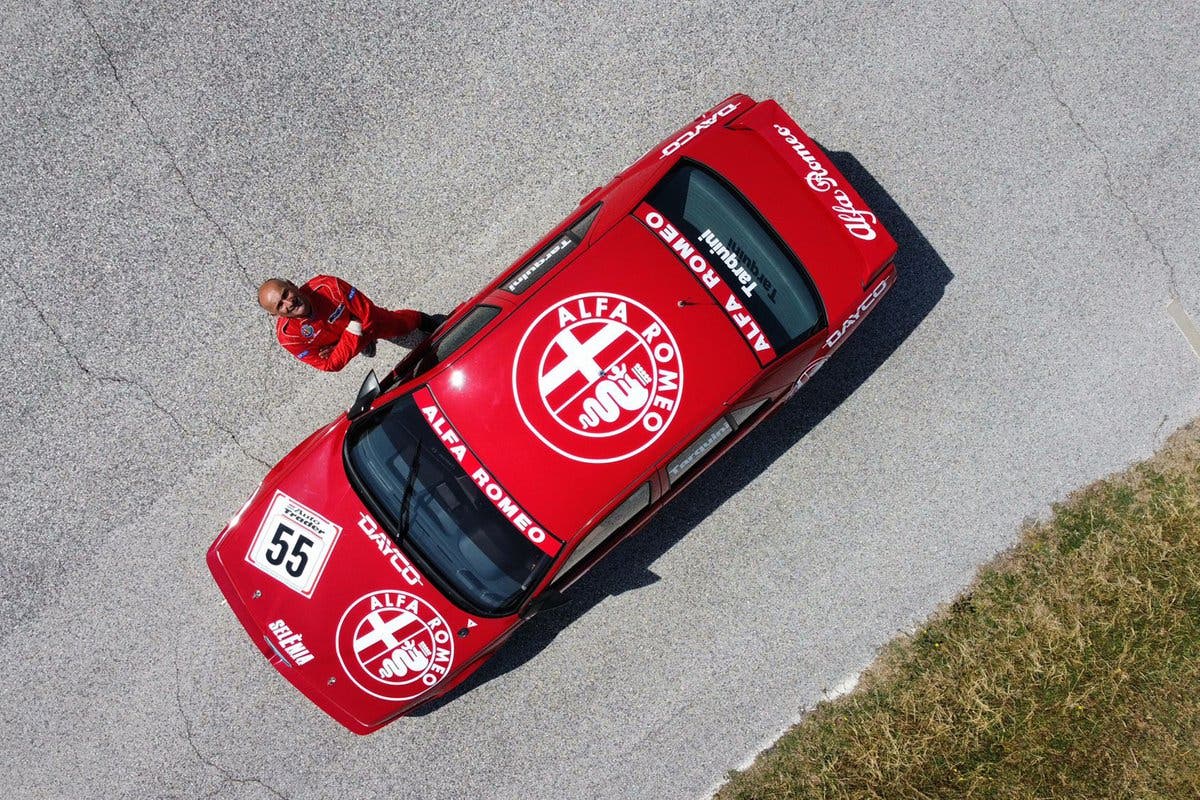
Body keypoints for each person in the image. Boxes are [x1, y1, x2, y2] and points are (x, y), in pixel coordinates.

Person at [257, 275, 436, 372]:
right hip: (354, 334)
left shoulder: (329, 286)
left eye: (286, 294)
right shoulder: (289, 338)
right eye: (280, 305)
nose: (289, 303)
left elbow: (369, 315)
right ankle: (365, 345)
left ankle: (431, 321)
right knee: (424, 351)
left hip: (369, 327)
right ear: (275, 315)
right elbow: (330, 365)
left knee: (401, 325)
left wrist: (342, 346)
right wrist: (352, 332)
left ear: (292, 284)